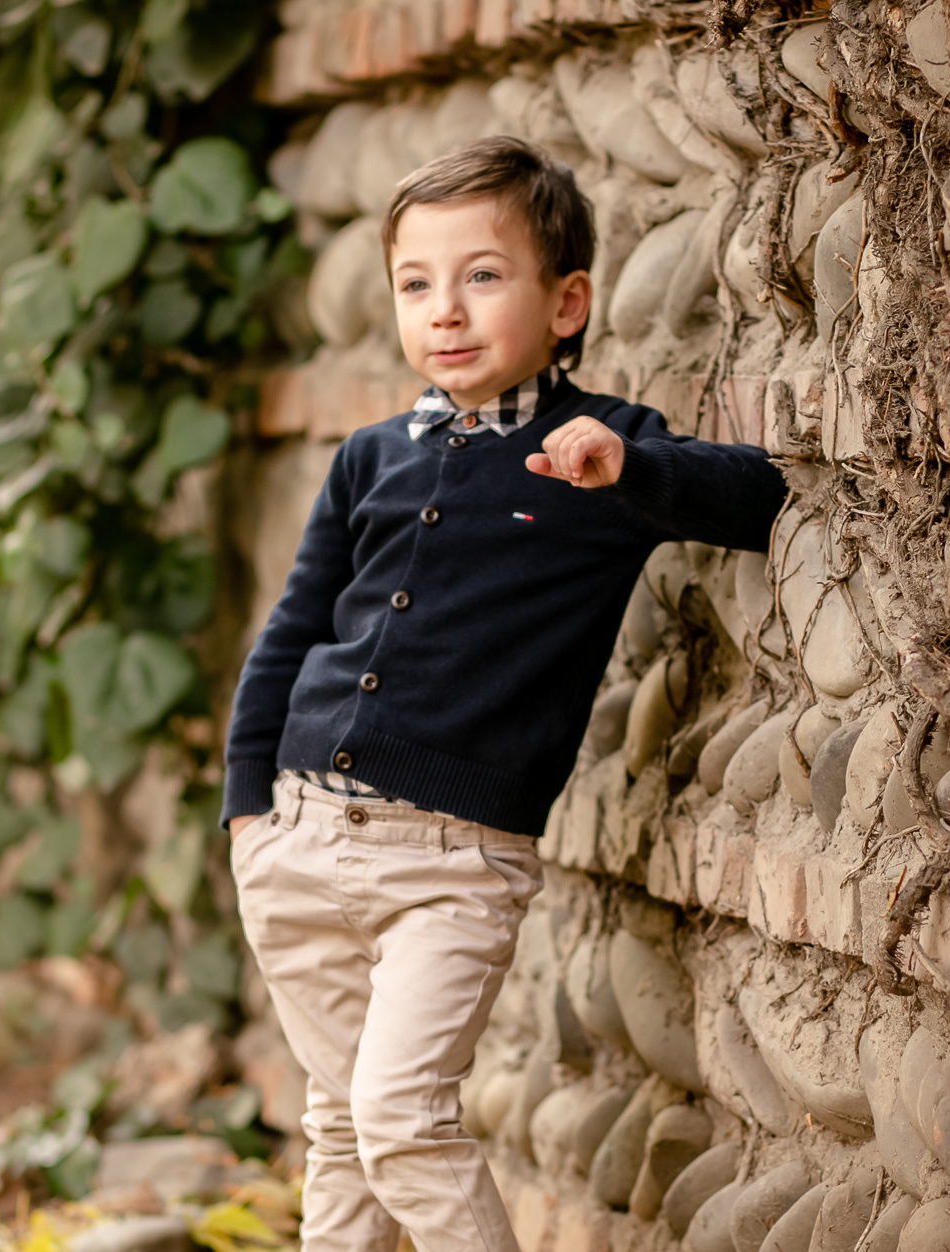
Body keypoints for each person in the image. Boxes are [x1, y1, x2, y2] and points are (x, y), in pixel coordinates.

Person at [222, 136, 787, 1252]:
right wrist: (247, 806)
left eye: (482, 276)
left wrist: (635, 471)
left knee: (399, 1119)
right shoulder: (370, 457)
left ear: (566, 301)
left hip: (450, 860)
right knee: (340, 1123)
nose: (446, 310)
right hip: (292, 840)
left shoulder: (598, 445)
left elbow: (758, 495)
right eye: (416, 283)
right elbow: (292, 629)